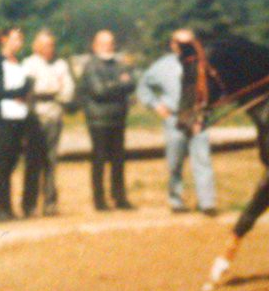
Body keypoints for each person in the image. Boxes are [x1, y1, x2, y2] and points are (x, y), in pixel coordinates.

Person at [137, 29, 217, 216]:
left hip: (198, 119)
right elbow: (143, 86)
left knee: (203, 161)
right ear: (172, 44)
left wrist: (205, 112)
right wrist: (155, 104)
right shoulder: (162, 66)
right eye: (179, 42)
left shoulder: (203, 64)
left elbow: (214, 90)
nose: (183, 46)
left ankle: (207, 203)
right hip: (174, 119)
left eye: (189, 42)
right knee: (174, 163)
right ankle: (176, 200)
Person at [78, 30, 137, 211]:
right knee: (100, 160)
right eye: (103, 43)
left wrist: (113, 85)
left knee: (118, 160)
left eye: (110, 43)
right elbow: (99, 92)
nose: (108, 46)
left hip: (118, 118)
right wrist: (120, 84)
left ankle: (119, 197)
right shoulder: (90, 66)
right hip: (98, 120)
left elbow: (132, 83)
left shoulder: (119, 64)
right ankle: (99, 200)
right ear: (95, 46)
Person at [22, 29, 75, 217]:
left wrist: (51, 90)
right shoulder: (28, 64)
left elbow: (68, 91)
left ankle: (50, 204)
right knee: (33, 162)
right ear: (35, 46)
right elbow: (29, 91)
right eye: (44, 45)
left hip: (54, 117)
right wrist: (53, 88)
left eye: (51, 45)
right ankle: (29, 205)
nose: (48, 48)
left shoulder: (60, 64)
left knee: (51, 162)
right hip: (35, 118)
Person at [0, 26, 38, 222]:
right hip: (4, 119)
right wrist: (20, 92)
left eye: (21, 39)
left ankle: (8, 209)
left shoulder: (19, 63)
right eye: (16, 38)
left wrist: (23, 92)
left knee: (11, 164)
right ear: (3, 39)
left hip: (20, 118)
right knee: (0, 164)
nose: (19, 43)